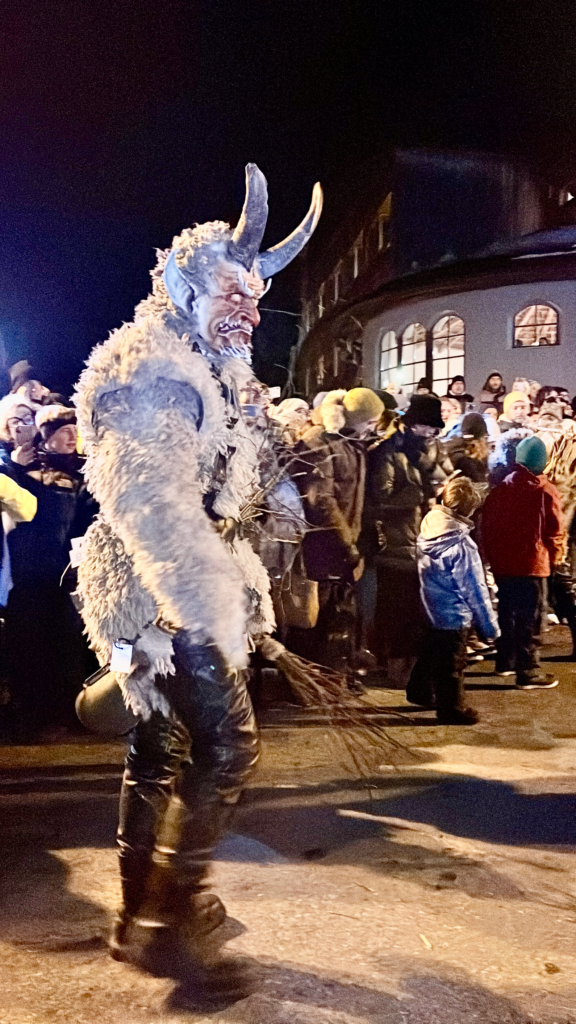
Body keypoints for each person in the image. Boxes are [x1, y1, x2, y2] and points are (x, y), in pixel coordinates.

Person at [73, 163, 322, 1003]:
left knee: (159, 751)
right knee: (228, 747)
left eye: (256, 297)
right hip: (165, 590)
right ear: (181, 287)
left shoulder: (206, 366)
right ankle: (167, 927)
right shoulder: (154, 373)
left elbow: (233, 485)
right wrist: (209, 608)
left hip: (166, 588)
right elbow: (150, 504)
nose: (248, 310)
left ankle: (138, 912)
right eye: (231, 293)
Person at [2, 404, 98, 740]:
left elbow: (87, 526)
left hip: (65, 576)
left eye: (75, 431)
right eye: (62, 431)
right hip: (27, 578)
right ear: (46, 435)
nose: (72, 437)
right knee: (28, 649)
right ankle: (29, 717)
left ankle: (69, 714)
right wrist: (15, 467)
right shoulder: (17, 472)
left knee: (68, 648)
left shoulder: (83, 477)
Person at [295, 387, 383, 677]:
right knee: (320, 616)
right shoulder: (319, 442)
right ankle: (319, 674)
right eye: (370, 421)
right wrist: (346, 542)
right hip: (324, 545)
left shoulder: (351, 442)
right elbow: (321, 499)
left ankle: (340, 670)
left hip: (346, 544)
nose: (374, 426)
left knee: (343, 614)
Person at [363, 393, 449, 684]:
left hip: (429, 545)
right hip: (396, 545)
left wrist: (445, 493)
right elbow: (378, 497)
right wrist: (416, 497)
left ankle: (419, 669)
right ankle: (396, 668)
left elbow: (448, 480)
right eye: (425, 427)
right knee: (397, 611)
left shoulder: (436, 449)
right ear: (411, 425)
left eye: (434, 429)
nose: (431, 433)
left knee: (422, 613)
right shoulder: (388, 452)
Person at [407, 476, 499, 724]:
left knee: (432, 652)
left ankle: (419, 690)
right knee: (452, 664)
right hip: (454, 612)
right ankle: (452, 709)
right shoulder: (462, 545)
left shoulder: (430, 526)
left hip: (431, 605)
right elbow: (474, 588)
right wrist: (488, 625)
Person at [481, 436, 564, 689]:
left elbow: (488, 527)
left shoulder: (500, 489)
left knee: (507, 612)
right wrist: (556, 556)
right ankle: (528, 670)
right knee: (532, 617)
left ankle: (506, 661)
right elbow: (555, 530)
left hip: (504, 564)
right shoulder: (545, 490)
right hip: (533, 564)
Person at [443, 413, 490, 484]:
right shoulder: (465, 462)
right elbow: (481, 486)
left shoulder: (452, 449)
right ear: (481, 438)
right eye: (486, 437)